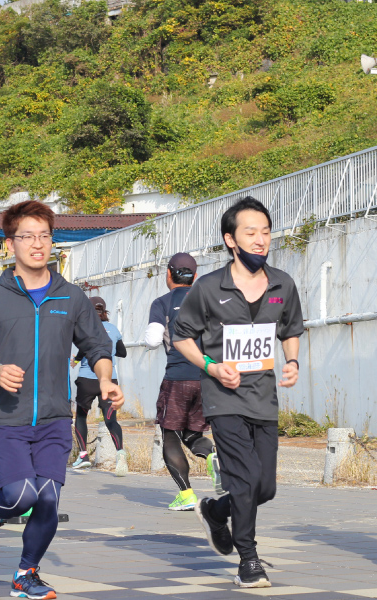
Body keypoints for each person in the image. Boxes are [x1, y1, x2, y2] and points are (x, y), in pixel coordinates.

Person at [0, 200, 124, 600]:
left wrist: (105, 380)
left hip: (52, 417)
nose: (37, 244)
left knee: (47, 498)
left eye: (44, 236)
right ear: (10, 244)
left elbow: (97, 345)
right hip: (6, 417)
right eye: (27, 237)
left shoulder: (71, 296)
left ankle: (25, 574)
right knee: (20, 495)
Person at [173, 197, 304, 588]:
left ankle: (216, 511)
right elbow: (181, 337)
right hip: (223, 398)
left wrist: (292, 362)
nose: (260, 239)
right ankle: (248, 561)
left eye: (265, 231)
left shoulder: (283, 283)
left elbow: (291, 329)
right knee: (244, 480)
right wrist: (212, 366)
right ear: (231, 239)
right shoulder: (210, 287)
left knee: (265, 486)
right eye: (251, 232)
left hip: (263, 398)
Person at [144, 252, 221, 511]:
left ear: (168, 273)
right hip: (207, 377)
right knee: (193, 433)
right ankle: (212, 456)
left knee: (170, 435)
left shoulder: (162, 303)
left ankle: (186, 494)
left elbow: (153, 340)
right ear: (195, 276)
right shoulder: (208, 302)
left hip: (177, 378)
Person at [71, 296, 128, 477]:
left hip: (87, 379)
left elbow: (84, 347)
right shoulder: (113, 329)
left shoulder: (85, 327)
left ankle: (83, 455)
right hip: (109, 380)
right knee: (110, 419)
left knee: (81, 415)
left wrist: (78, 359)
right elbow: (123, 352)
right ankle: (120, 453)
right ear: (104, 311)